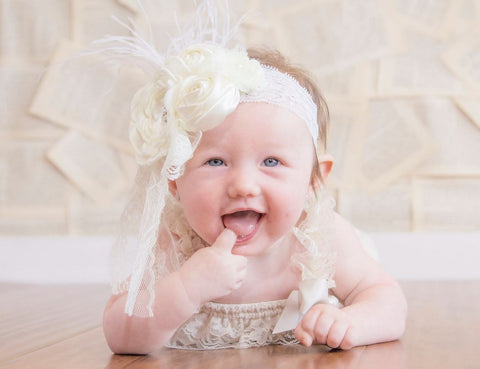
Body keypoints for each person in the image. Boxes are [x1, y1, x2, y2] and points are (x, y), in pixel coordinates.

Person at [100, 0, 407, 354]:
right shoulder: (176, 243)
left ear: (314, 180)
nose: (243, 185)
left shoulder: (320, 239)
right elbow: (119, 334)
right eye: (215, 162)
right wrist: (186, 288)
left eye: (272, 161)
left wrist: (353, 322)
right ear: (175, 182)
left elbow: (389, 302)